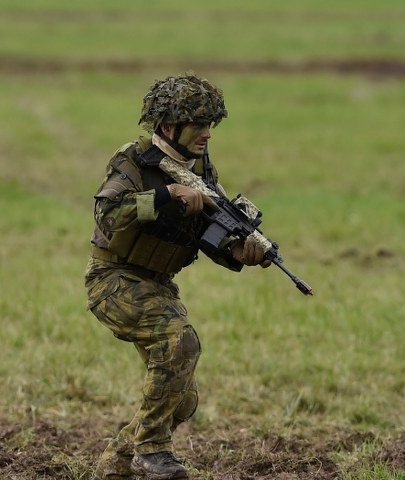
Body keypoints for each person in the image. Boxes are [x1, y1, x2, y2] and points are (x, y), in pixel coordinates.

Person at [86, 74, 270, 480]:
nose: (206, 134)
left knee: (180, 400)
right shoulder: (135, 162)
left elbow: (207, 233)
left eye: (210, 125)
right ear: (169, 126)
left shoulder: (199, 168)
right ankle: (150, 451)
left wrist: (240, 251)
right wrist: (167, 197)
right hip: (113, 279)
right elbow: (109, 215)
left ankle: (115, 463)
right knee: (179, 341)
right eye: (197, 124)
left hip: (158, 284)